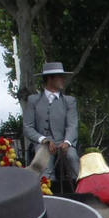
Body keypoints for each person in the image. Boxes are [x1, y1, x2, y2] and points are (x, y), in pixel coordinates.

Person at [23, 61, 80, 189]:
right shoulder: (33, 100)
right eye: (60, 76)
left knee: (72, 157)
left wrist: (67, 142)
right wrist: (44, 140)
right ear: (50, 78)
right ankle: (48, 194)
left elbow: (72, 125)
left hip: (63, 142)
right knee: (44, 163)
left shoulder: (69, 101)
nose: (63, 79)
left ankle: (78, 190)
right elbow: (28, 127)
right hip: (42, 144)